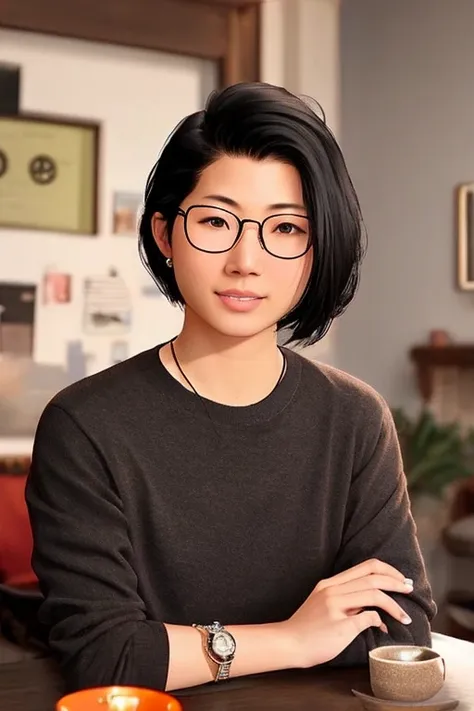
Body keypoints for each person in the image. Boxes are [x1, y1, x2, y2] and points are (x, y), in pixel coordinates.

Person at [26, 82, 436, 694]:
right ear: (165, 235)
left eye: (287, 230)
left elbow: (401, 633)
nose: (247, 259)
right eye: (217, 220)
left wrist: (181, 646)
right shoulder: (86, 425)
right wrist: (296, 638)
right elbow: (108, 657)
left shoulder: (353, 417)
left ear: (316, 251)